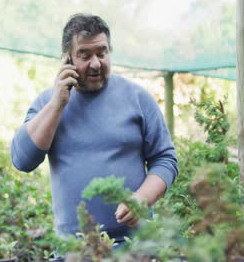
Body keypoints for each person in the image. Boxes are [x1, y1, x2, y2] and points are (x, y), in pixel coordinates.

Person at [11, 13, 178, 246]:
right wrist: (58, 104)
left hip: (135, 246)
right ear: (67, 58)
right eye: (85, 55)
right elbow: (22, 160)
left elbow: (165, 159)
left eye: (102, 53)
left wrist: (142, 198)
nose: (96, 63)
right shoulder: (46, 104)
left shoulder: (138, 98)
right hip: (74, 249)